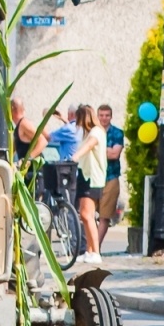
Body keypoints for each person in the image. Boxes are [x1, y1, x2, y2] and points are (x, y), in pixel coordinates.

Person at [71, 105, 107, 263]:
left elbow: (90, 145)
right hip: (85, 176)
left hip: (92, 178)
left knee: (87, 215)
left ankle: (96, 253)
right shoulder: (88, 133)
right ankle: (89, 250)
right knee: (84, 215)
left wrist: (75, 156)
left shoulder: (96, 132)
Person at [96, 104, 124, 245]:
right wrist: (106, 150)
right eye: (101, 115)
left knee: (104, 216)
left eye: (107, 115)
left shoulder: (117, 133)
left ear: (111, 116)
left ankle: (96, 247)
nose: (104, 118)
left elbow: (114, 154)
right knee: (87, 214)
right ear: (97, 116)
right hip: (94, 177)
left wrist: (96, 149)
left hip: (111, 177)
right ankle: (90, 245)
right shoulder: (92, 132)